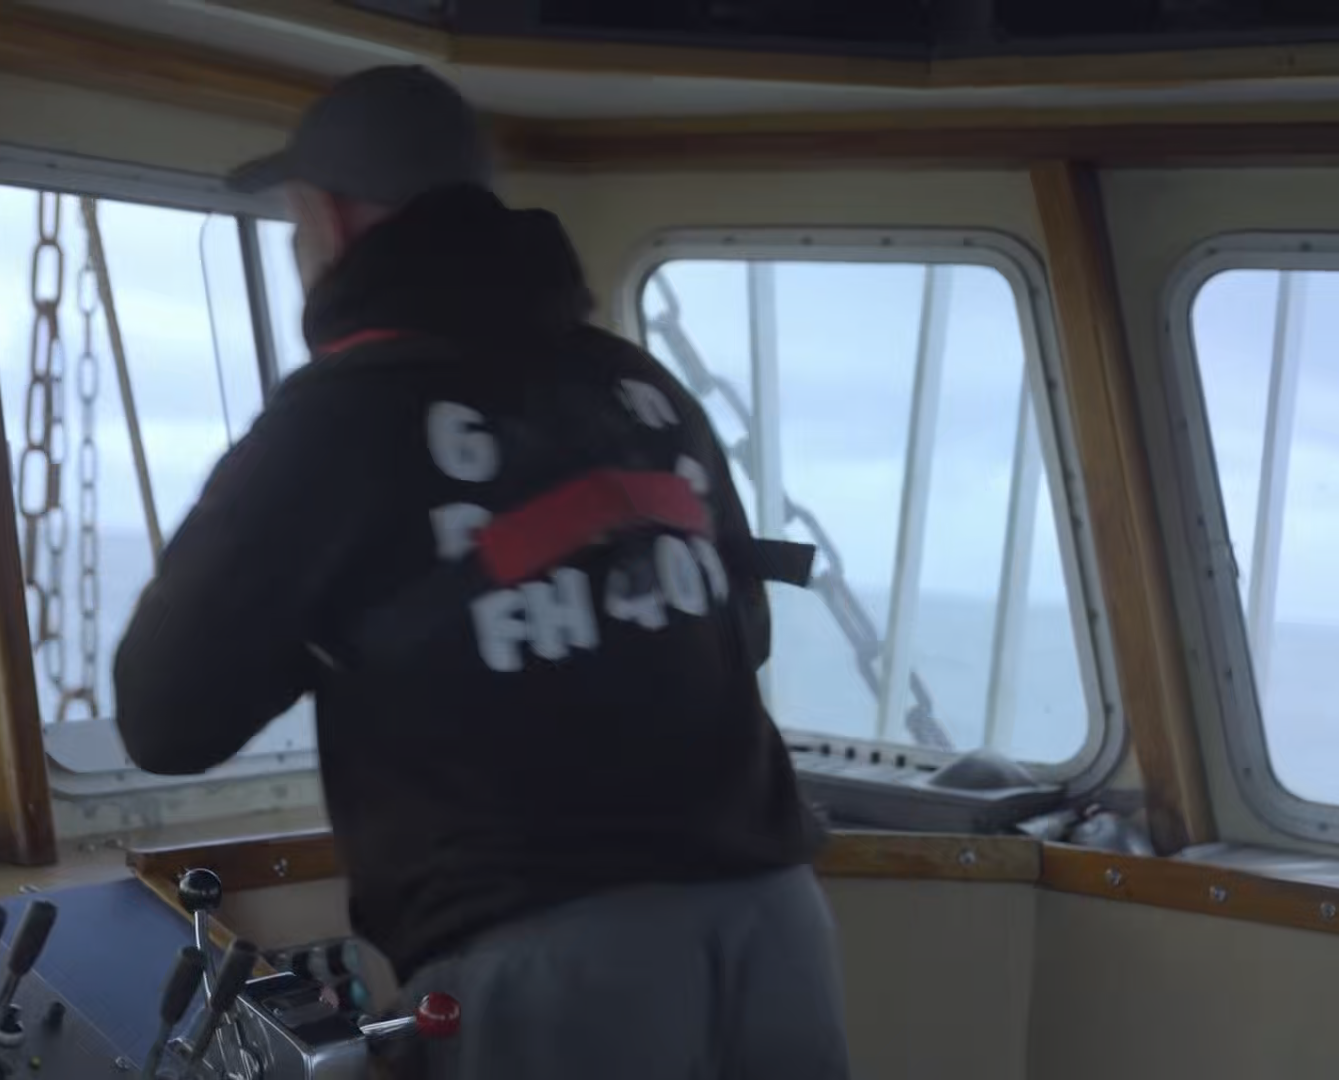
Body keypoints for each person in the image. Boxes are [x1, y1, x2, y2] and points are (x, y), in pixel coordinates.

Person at [113, 65, 850, 1079]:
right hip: (773, 927)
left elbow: (165, 720)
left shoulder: (339, 417)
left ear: (326, 218)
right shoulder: (635, 385)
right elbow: (741, 630)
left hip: (552, 960)